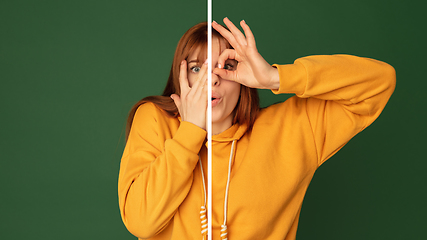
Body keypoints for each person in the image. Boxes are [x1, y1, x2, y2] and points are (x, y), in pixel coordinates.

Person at [118, 18, 395, 240]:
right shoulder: (155, 120)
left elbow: (379, 83)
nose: (211, 80)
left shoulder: (290, 128)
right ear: (180, 76)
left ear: (242, 79)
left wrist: (275, 77)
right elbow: (140, 222)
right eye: (196, 69)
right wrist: (190, 131)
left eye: (226, 67)